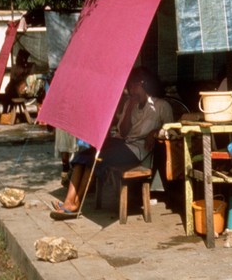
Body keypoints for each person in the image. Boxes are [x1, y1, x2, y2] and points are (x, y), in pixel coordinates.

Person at [50, 67, 173, 219]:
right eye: (130, 86)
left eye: (134, 85)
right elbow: (123, 131)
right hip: (122, 143)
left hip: (137, 151)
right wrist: (128, 110)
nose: (131, 90)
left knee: (95, 159)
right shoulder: (130, 104)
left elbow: (172, 130)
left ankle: (75, 204)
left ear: (144, 84)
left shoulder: (161, 106)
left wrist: (155, 132)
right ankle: (69, 200)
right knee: (83, 156)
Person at [2, 49, 34, 113]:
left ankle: (7, 111)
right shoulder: (17, 67)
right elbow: (14, 77)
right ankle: (7, 112)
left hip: (15, 90)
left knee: (8, 98)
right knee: (8, 98)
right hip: (12, 89)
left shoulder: (22, 67)